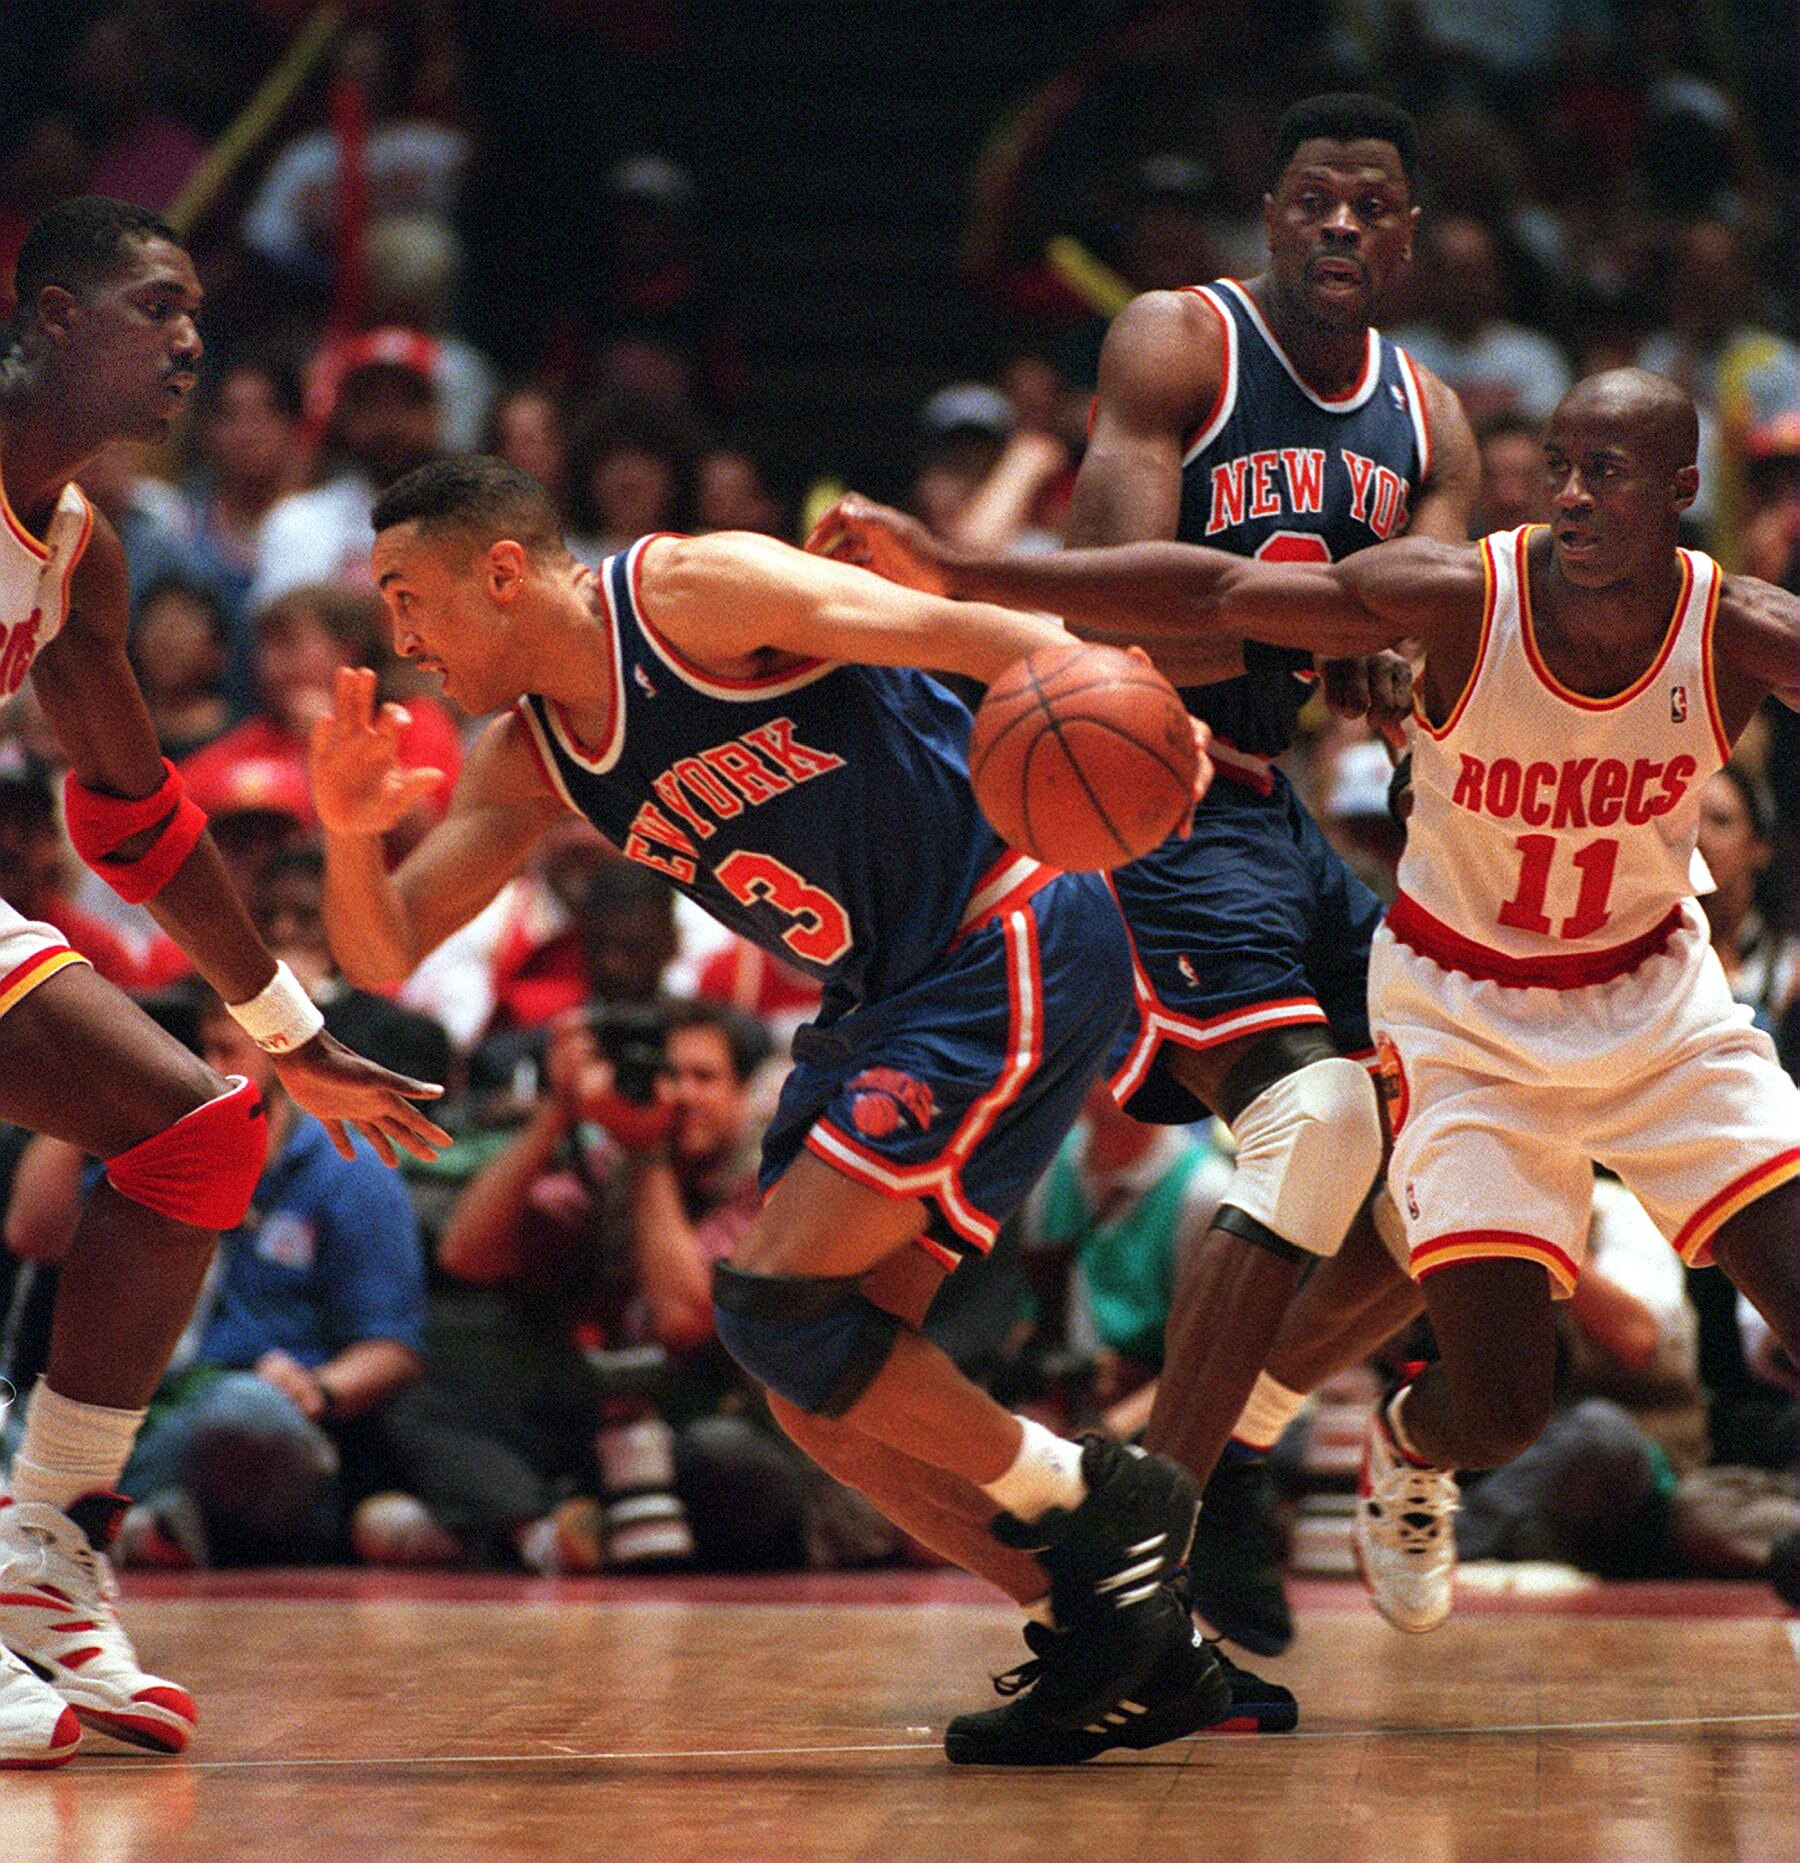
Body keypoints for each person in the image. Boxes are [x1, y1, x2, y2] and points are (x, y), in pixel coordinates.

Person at [817, 366, 1800, 1639]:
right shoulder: (1465, 596)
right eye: (1557, 464)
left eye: (1604, 473)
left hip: (1660, 1010)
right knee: (1496, 1409)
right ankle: (1407, 1444)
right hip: (1467, 1020)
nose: (1568, 495)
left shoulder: (1740, 628)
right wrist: (962, 568)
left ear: (1682, 491)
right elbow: (1213, 593)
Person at [311, 452, 1247, 1765]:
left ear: (505, 572)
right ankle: (1128, 1637)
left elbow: (976, 630)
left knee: (773, 1303)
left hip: (1007, 926)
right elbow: (385, 948)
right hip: (887, 995)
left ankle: (1104, 1493)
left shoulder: (697, 590)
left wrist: (1144, 719)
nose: (399, 639)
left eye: (410, 598)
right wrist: (349, 830)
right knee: (818, 1388)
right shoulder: (526, 762)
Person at [825, 92, 1482, 1657]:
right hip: (1143, 780)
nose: (1339, 224)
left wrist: (1401, 677)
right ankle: (1147, 1562)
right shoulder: (1178, 345)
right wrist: (1339, 621)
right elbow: (1114, 623)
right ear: (1273, 214)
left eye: (1371, 204)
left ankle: (1229, 1434)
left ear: (1410, 235)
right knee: (1317, 1112)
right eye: (1312, 197)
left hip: (1282, 805)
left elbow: (1438, 635)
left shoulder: (1433, 421)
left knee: (1456, 1147)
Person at [0, 195, 448, 1770]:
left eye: (198, 311)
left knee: (199, 1133)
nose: (192, 337)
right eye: (157, 304)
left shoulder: (73, 553)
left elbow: (132, 815)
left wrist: (292, 1029)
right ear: (54, 318)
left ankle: (39, 1555)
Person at [8, 990, 429, 1570]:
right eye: (200, 1047)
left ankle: (94, 1529)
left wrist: (319, 1388)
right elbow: (36, 1234)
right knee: (21, 1415)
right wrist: (86, 1100)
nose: (209, 1062)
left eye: (229, 1046)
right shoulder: (161, 1145)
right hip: (137, 1409)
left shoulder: (343, 1168)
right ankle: (133, 1528)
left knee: (249, 1414)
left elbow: (392, 1347)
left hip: (243, 1417)